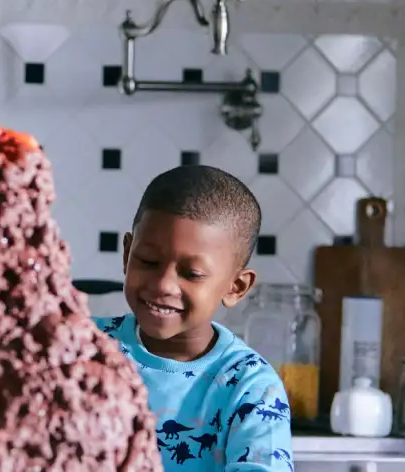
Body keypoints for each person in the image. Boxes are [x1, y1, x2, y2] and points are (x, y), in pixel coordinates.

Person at [93, 165, 293, 471]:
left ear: (236, 287)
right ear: (127, 255)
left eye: (192, 274)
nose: (162, 285)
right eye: (147, 261)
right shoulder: (82, 347)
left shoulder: (250, 387)